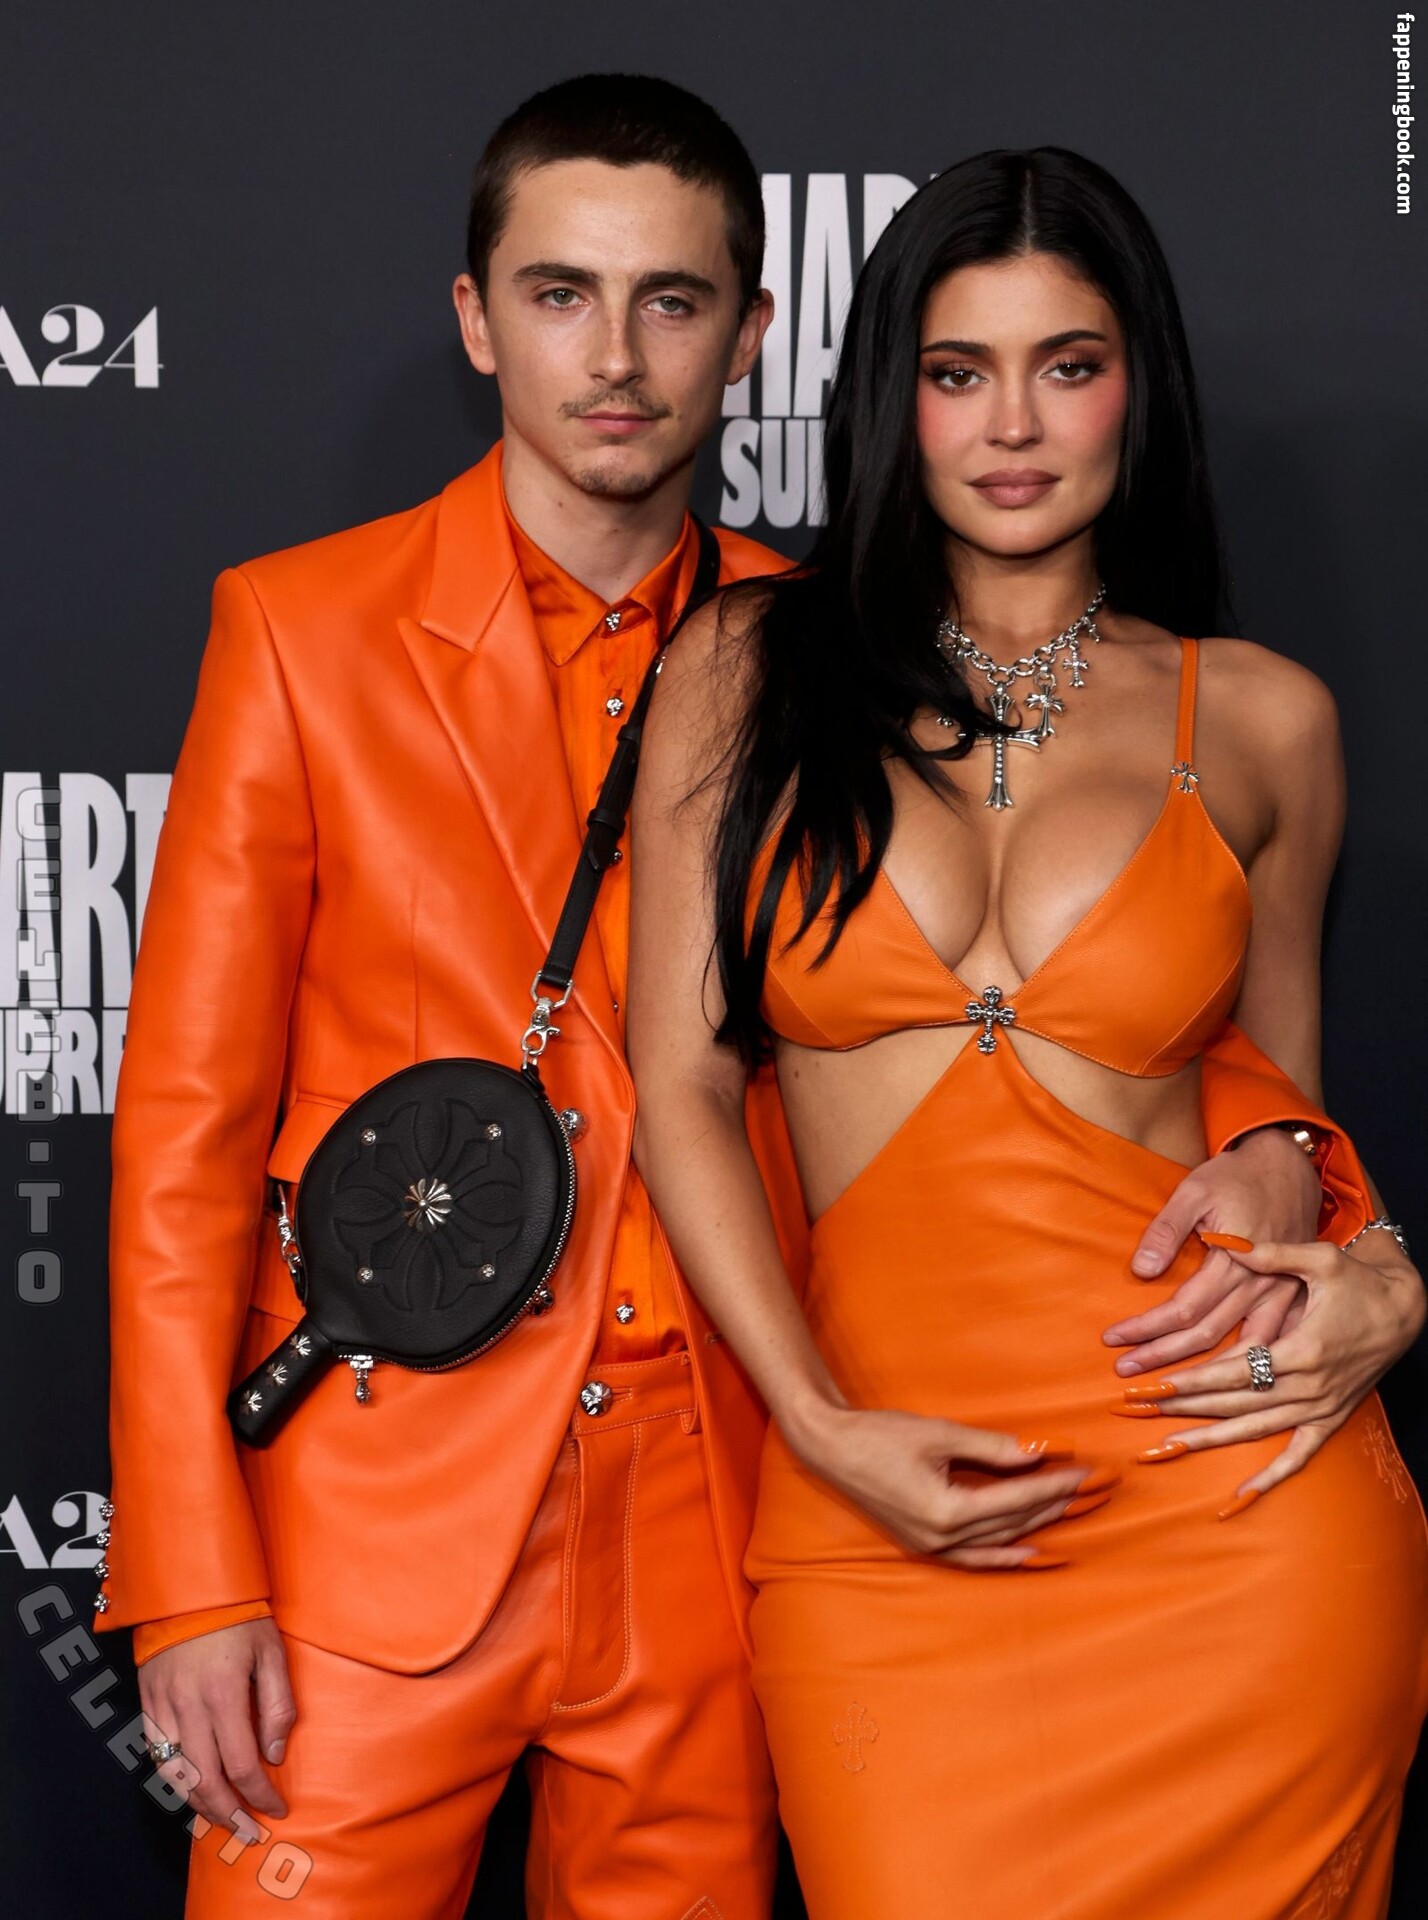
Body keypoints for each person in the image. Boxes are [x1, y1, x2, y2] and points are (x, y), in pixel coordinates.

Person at [628, 146, 1428, 1919]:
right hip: (883, 1512)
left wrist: (1373, 1260)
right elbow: (675, 1077)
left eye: (1068, 366)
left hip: (1235, 1515)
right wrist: (816, 1423)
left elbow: (1281, 1115)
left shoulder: (1264, 719)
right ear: (891, 396)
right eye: (957, 369)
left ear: (1139, 387)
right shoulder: (744, 666)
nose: (1012, 424)